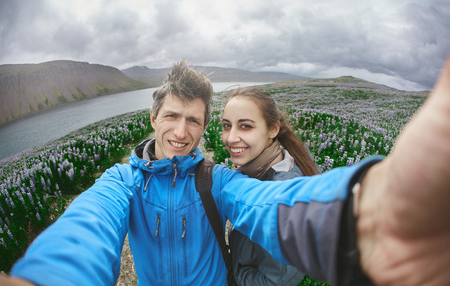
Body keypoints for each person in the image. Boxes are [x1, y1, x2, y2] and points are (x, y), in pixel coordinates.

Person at [1, 56, 450, 286]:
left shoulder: (215, 178)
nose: (181, 131)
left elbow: (266, 203)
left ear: (202, 127)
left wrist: (363, 216)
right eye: (172, 117)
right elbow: (88, 226)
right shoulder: (122, 181)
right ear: (152, 118)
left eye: (194, 120)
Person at [222, 87, 319, 285]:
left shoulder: (281, 200)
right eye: (226, 125)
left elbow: (275, 281)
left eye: (245, 126)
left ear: (273, 129)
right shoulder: (273, 165)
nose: (231, 138)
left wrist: (233, 274)